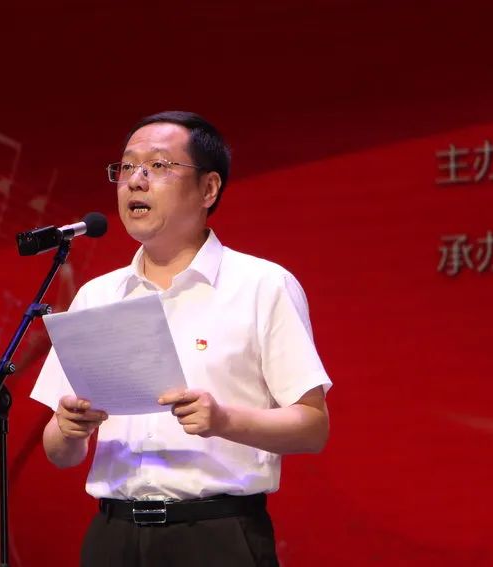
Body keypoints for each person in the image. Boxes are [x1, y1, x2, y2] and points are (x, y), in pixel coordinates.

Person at [30, 111, 331, 567]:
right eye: (126, 167)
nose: (135, 181)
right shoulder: (97, 295)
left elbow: (313, 428)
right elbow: (60, 452)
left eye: (158, 165)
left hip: (215, 536)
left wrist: (223, 420)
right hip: (113, 537)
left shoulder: (262, 285)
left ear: (208, 189)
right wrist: (69, 429)